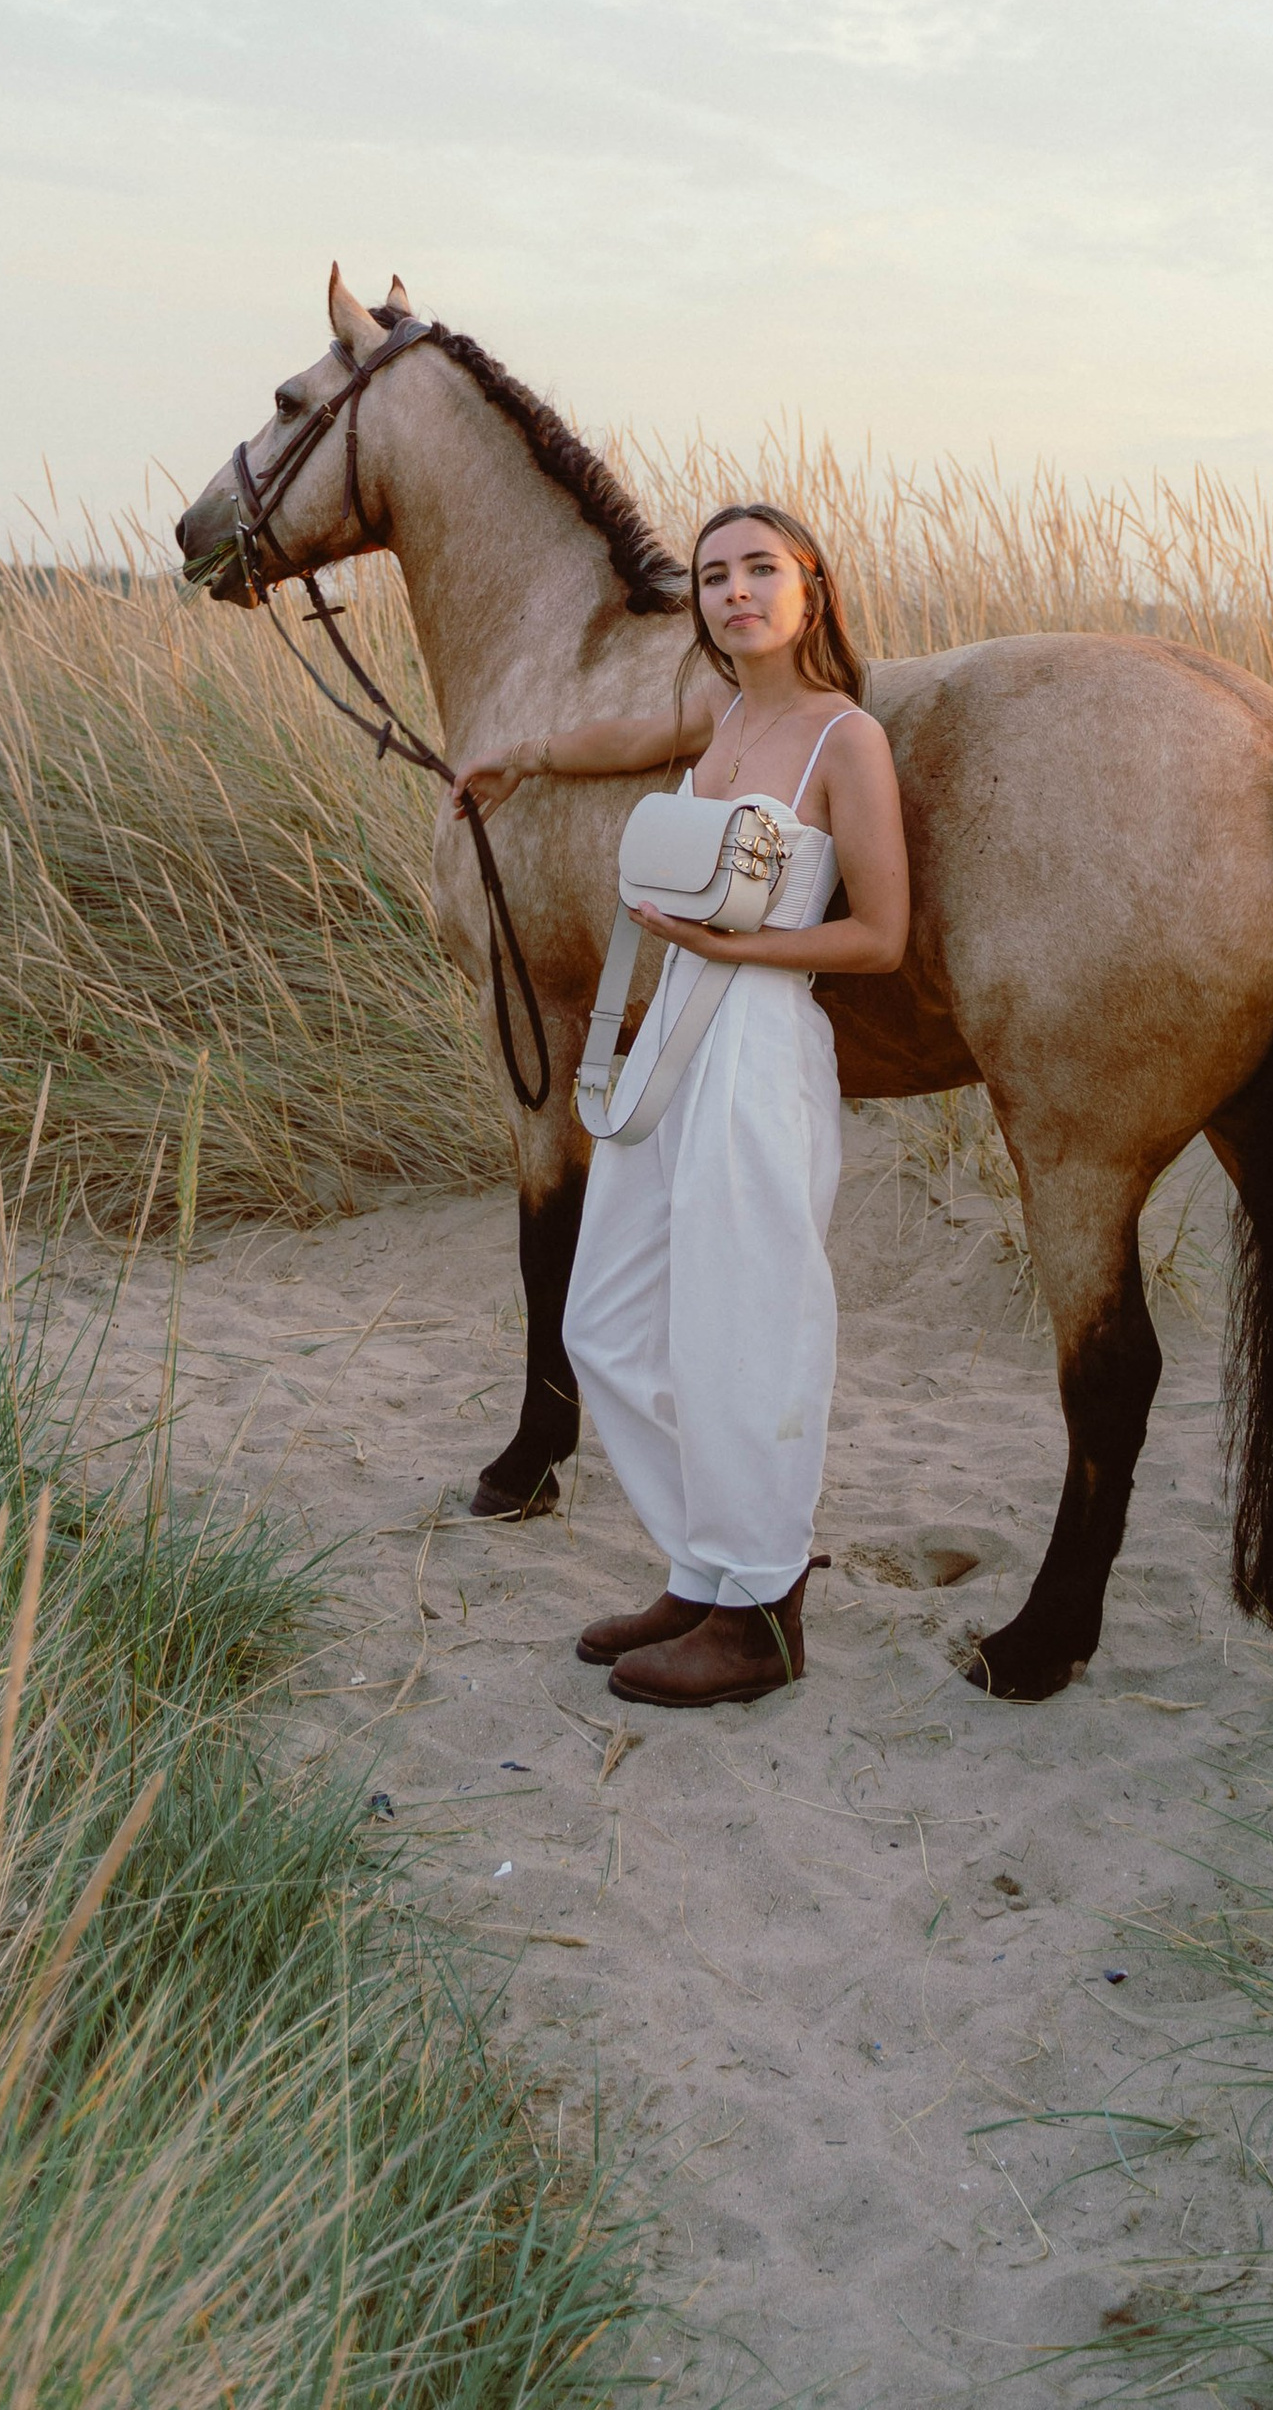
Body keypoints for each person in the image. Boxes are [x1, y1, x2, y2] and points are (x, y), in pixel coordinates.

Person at [449, 506, 910, 1705]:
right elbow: (625, 737)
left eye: (760, 569)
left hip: (758, 1036)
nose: (734, 591)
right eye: (713, 575)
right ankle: (706, 1566)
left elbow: (881, 934)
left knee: (748, 1323)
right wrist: (521, 757)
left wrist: (731, 947)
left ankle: (760, 1613)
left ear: (810, 588)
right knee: (603, 1318)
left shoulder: (845, 739)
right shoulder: (723, 712)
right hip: (674, 1037)